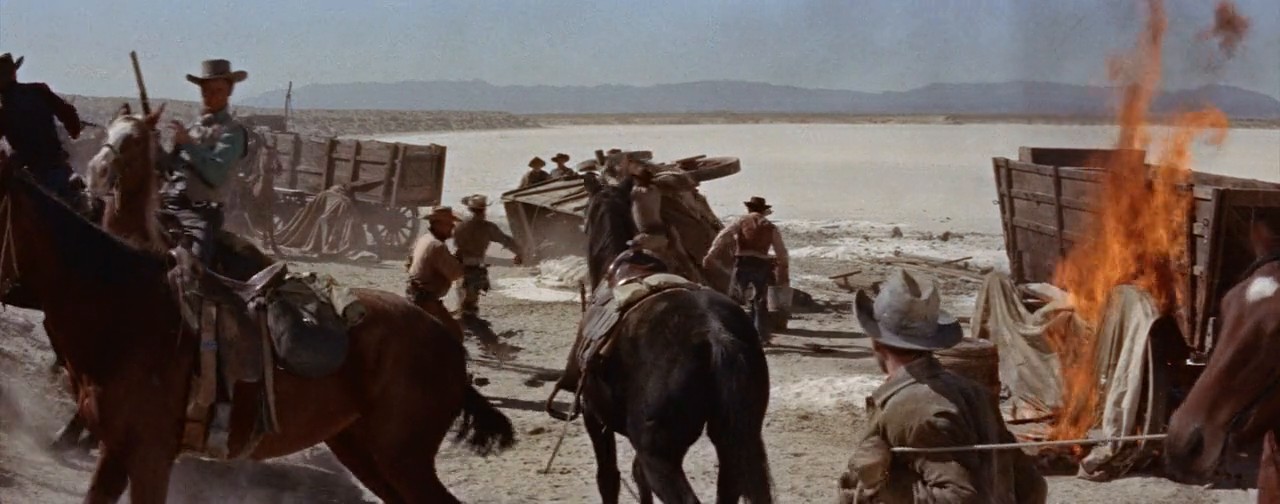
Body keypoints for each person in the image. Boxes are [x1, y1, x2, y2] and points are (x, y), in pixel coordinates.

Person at [837, 269, 1047, 504]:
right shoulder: (973, 391)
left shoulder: (913, 408)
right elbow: (1032, 486)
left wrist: (882, 485)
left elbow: (959, 498)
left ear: (876, 342)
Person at [159, 59, 249, 266]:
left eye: (217, 90)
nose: (210, 96)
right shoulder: (193, 128)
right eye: (206, 91)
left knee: (191, 269)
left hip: (199, 214)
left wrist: (187, 144)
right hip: (168, 205)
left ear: (229, 91)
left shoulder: (233, 132)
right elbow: (169, 170)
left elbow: (215, 174)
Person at [0, 53, 85, 209]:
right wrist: (75, 130)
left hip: (27, 176)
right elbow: (70, 116)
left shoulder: (2, 110)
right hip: (56, 170)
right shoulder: (39, 91)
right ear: (14, 74)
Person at [702, 196, 789, 342]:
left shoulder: (741, 221)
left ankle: (735, 332)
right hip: (762, 264)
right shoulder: (770, 226)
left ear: (748, 208)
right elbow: (781, 250)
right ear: (764, 211)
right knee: (760, 301)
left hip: (743, 262)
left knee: (736, 298)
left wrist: (711, 254)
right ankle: (761, 336)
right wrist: (783, 267)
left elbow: (723, 236)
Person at [452, 194, 523, 318]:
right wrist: (520, 253)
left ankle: (464, 313)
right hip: (477, 266)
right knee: (471, 299)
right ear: (484, 210)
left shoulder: (460, 226)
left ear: (469, 209)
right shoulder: (488, 227)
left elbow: (456, 244)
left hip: (461, 265)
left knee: (463, 296)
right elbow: (506, 240)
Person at [406, 206, 466, 342]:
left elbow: (408, 263)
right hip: (426, 300)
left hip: (414, 293)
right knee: (455, 335)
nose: (452, 227)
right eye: (449, 223)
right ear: (439, 224)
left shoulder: (424, 239)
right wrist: (460, 259)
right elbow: (455, 273)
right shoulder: (437, 245)